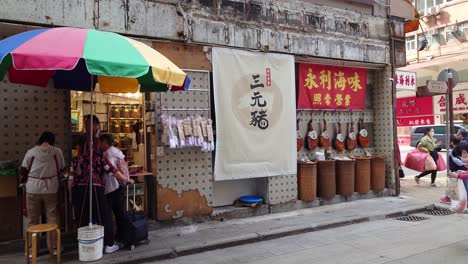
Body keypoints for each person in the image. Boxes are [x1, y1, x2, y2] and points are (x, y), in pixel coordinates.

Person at [20, 131, 65, 254]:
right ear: (52, 140)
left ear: (41, 140)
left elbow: (23, 170)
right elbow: (62, 168)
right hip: (51, 188)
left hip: (33, 189)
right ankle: (54, 248)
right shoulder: (57, 152)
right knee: (52, 218)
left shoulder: (32, 152)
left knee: (32, 220)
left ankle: (31, 250)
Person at [99, 134, 133, 243]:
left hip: (112, 186)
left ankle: (122, 236)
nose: (99, 145)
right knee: (119, 213)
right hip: (119, 185)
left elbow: (112, 171)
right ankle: (124, 236)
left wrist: (126, 180)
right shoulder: (117, 152)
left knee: (112, 214)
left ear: (105, 142)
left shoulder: (108, 154)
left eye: (101, 142)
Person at [440, 136, 465, 203]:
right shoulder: (460, 148)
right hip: (462, 170)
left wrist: (462, 164)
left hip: (456, 170)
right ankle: (449, 197)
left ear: (452, 142)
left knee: (452, 184)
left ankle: (448, 198)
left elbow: (455, 160)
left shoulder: (453, 150)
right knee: (459, 184)